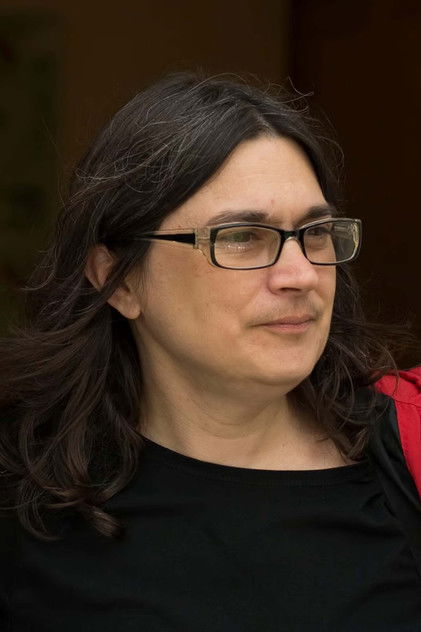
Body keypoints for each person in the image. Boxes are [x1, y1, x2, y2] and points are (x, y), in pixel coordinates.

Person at [0, 70, 420, 631]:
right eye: (241, 237)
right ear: (118, 281)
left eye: (316, 232)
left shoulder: (410, 449)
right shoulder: (23, 493)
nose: (301, 275)